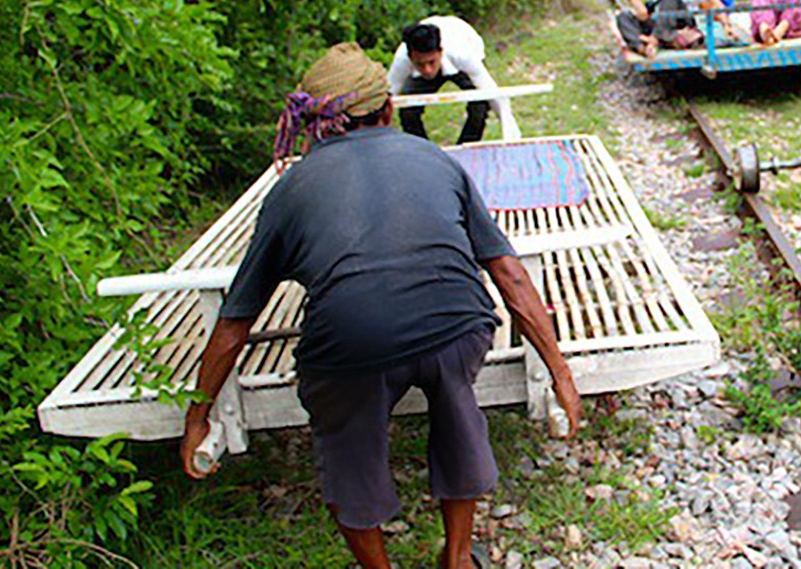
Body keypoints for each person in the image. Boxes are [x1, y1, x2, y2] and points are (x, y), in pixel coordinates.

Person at [182, 43, 582, 569]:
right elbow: (509, 274)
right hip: (455, 328)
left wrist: (198, 414)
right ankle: (458, 558)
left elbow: (236, 320)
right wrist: (560, 372)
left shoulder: (290, 188)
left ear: (317, 125)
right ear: (388, 109)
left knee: (349, 449)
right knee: (457, 408)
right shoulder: (434, 159)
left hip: (352, 344)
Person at [387, 17, 506, 145]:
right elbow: (386, 95)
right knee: (408, 109)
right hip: (426, 67)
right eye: (420, 64)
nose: (427, 70)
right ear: (410, 57)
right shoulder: (402, 59)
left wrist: (511, 136)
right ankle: (423, 151)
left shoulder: (462, 54)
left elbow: (493, 93)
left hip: (463, 57)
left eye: (431, 62)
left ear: (440, 52)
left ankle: (467, 147)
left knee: (480, 105)